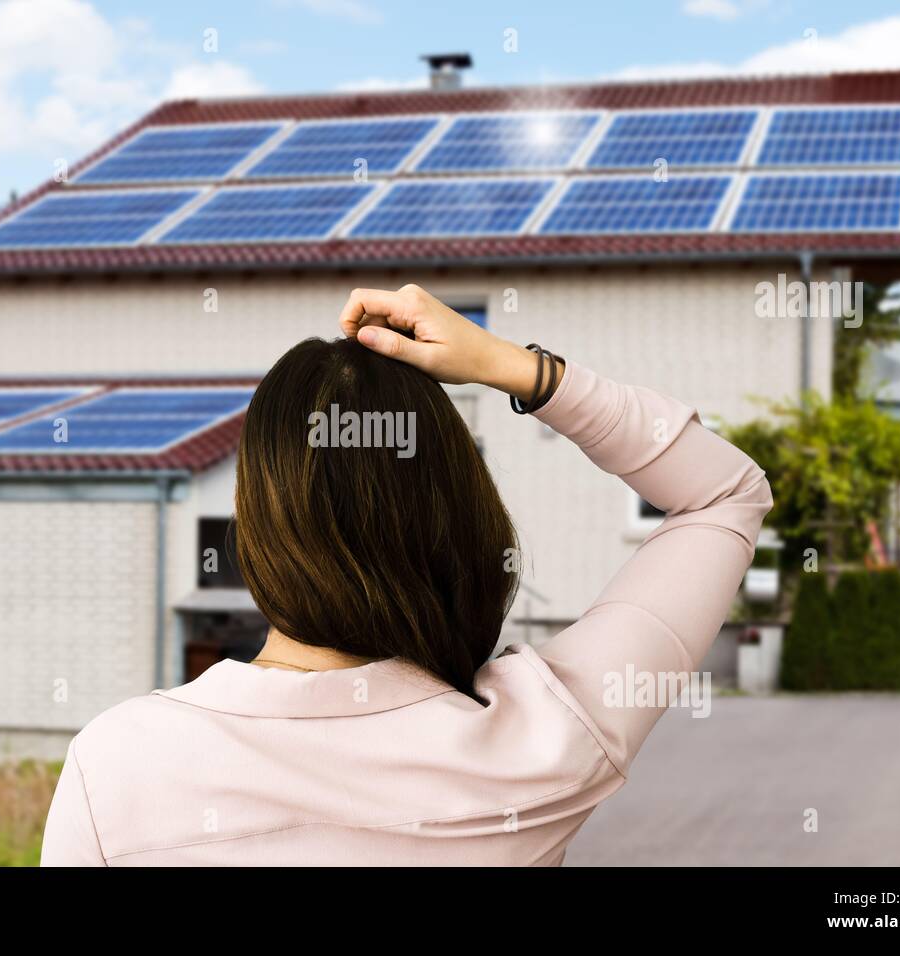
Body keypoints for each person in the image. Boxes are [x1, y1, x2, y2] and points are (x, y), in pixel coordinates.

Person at [41, 284, 772, 866]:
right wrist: (514, 368)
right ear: (457, 517)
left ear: (256, 521)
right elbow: (726, 491)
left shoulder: (117, 767)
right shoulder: (546, 741)